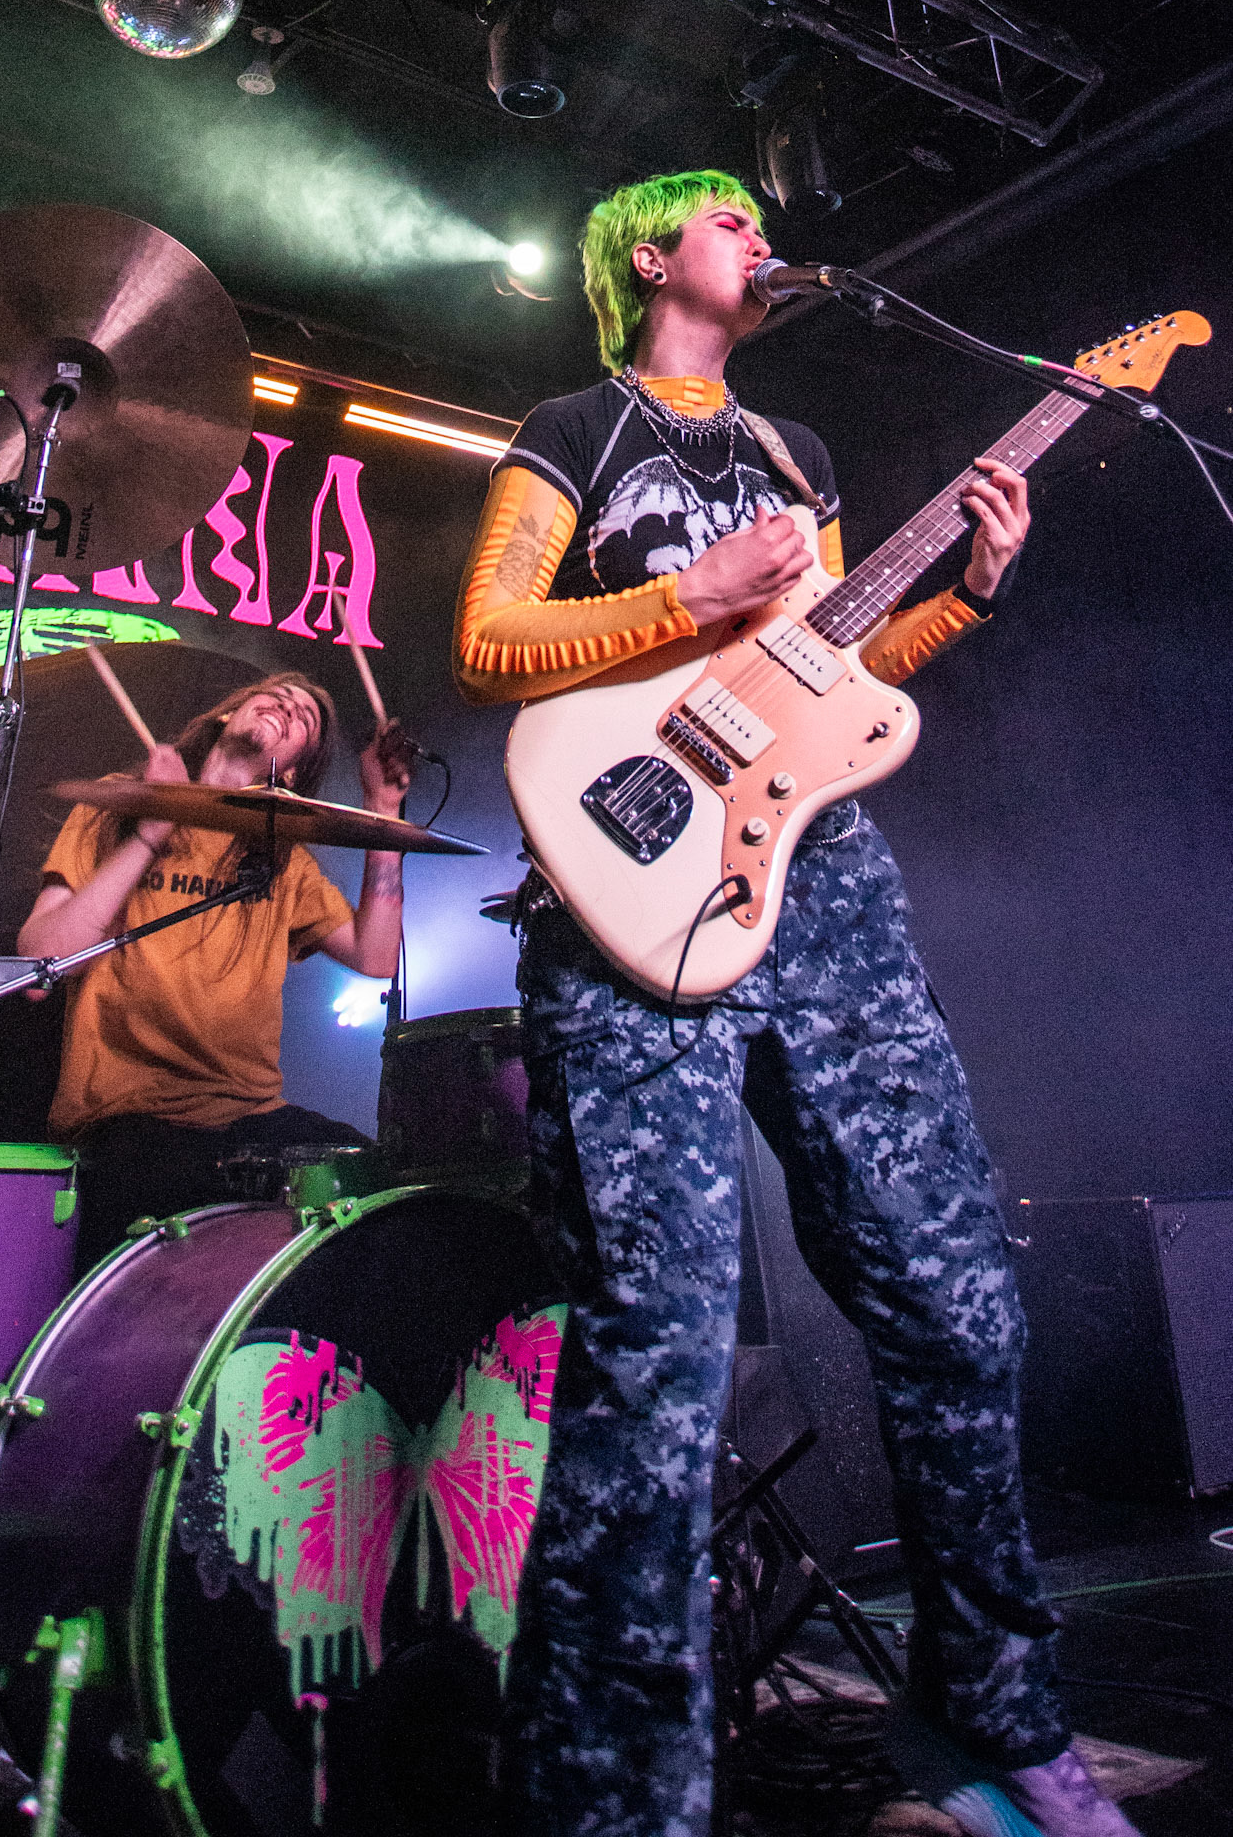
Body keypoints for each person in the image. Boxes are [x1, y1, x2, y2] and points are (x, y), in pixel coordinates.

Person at [452, 171, 1135, 1837]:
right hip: (624, 893)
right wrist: (681, 601)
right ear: (648, 253)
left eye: (765, 224)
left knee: (961, 1307)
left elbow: (824, 684)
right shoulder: (573, 432)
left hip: (823, 895)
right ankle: (615, 1802)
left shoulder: (794, 452)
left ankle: (989, 1718)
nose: (761, 240)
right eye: (729, 221)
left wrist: (967, 589)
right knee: (656, 1363)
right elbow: (487, 637)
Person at [19, 673, 410, 1273]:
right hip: (129, 1119)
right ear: (228, 716)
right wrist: (152, 827)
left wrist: (383, 811)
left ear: (293, 772)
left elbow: (376, 956)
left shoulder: (281, 860)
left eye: (304, 717)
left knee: (381, 1195)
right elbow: (37, 959)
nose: (287, 706)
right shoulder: (117, 803)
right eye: (276, 695)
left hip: (251, 1120)